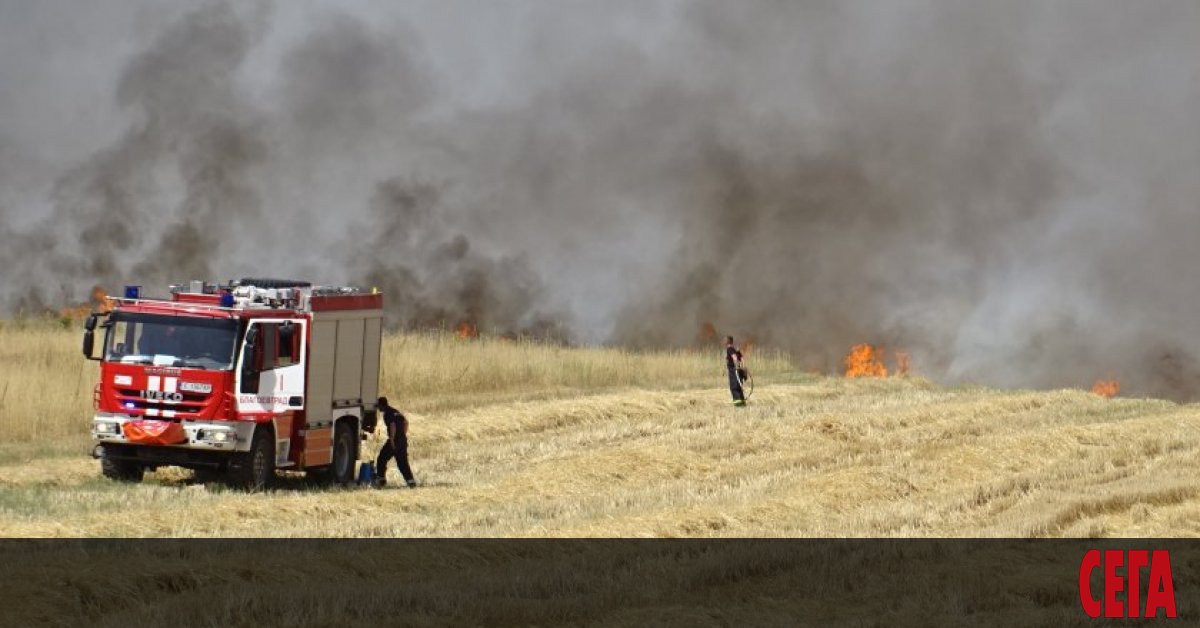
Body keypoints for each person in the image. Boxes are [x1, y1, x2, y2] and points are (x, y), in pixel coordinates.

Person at [374, 396, 417, 488]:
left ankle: (381, 480)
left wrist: (392, 440)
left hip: (395, 440)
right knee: (403, 462)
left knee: (381, 458)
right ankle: (411, 482)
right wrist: (403, 434)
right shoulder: (395, 411)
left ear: (382, 405)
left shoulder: (387, 414)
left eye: (378, 406)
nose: (378, 408)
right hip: (402, 440)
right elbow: (406, 422)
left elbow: (392, 425)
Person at [725, 336, 747, 407]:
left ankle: (738, 405)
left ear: (727, 341)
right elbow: (742, 359)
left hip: (734, 371)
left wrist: (736, 366)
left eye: (724, 340)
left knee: (734, 388)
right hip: (739, 370)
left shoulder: (730, 349)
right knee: (739, 387)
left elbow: (734, 357)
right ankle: (743, 404)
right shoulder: (736, 349)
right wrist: (743, 369)